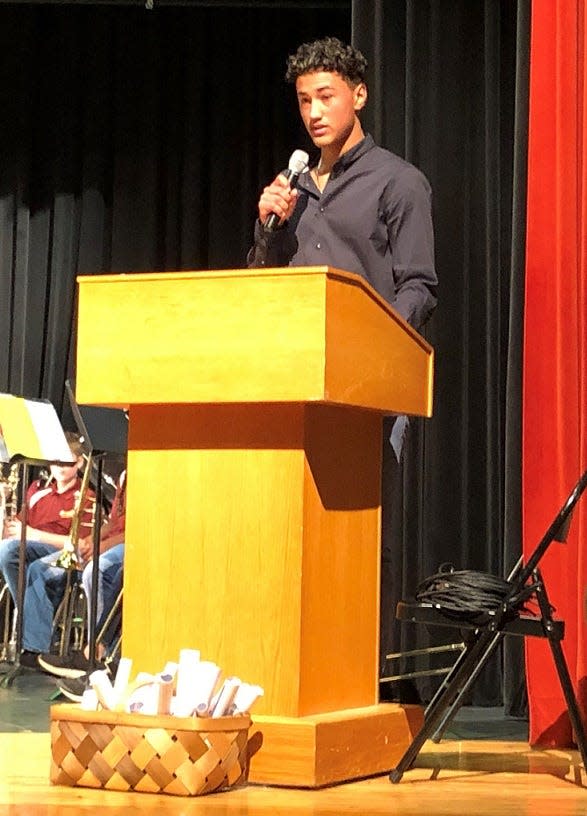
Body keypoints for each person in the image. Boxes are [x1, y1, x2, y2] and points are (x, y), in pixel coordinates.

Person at [248, 37, 437, 698]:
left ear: (358, 95)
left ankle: (366, 680)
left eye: (326, 96)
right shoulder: (294, 187)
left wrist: (369, 350)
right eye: (304, 100)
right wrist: (269, 227)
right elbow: (261, 284)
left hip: (362, 393)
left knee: (359, 537)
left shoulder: (397, 181)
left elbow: (417, 288)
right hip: (295, 388)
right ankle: (297, 674)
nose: (314, 112)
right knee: (293, 537)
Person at [0, 432, 93, 663]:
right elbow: (14, 531)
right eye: (55, 461)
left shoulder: (86, 495)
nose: (60, 467)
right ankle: (35, 620)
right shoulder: (36, 489)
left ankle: (34, 649)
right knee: (6, 551)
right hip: (32, 549)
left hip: (65, 555)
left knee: (37, 569)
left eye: (67, 461)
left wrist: (34, 535)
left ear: (79, 462)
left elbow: (79, 544)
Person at [30, 469, 126, 676]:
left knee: (97, 571)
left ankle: (97, 656)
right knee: (39, 567)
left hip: (132, 542)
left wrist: (103, 545)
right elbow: (115, 522)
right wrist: (94, 539)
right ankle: (34, 646)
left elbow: (138, 526)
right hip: (111, 541)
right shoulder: (124, 475)